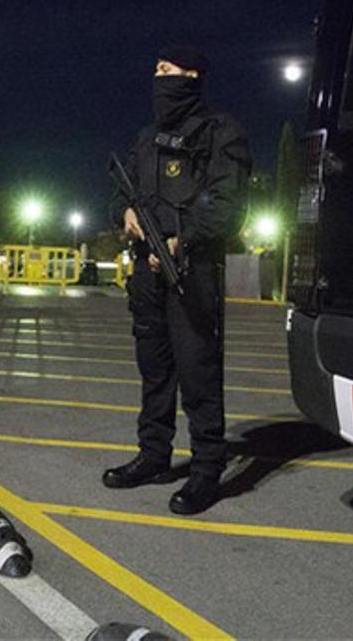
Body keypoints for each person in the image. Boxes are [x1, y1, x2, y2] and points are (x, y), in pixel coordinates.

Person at [105, 46, 252, 515]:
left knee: (198, 373)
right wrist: (125, 214)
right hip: (146, 275)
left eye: (166, 70)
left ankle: (207, 469)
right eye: (155, 69)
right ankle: (153, 456)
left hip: (193, 271)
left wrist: (180, 240)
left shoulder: (220, 132)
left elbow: (228, 208)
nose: (158, 77)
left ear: (191, 75)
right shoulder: (147, 139)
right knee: (155, 370)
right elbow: (119, 194)